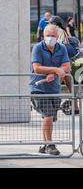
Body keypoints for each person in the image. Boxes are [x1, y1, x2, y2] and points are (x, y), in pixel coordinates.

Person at [30, 24, 71, 155]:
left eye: (53, 36)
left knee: (50, 118)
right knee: (48, 115)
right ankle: (49, 145)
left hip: (54, 89)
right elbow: (37, 67)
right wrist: (55, 69)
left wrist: (57, 73)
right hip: (38, 88)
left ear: (57, 36)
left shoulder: (62, 48)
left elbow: (66, 66)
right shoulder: (37, 48)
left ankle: (43, 145)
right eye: (48, 35)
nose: (50, 38)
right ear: (43, 35)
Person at [49, 15, 80, 113]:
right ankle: (75, 107)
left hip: (61, 62)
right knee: (69, 84)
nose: (49, 25)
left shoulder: (57, 31)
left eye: (50, 23)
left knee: (56, 85)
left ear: (54, 24)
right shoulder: (62, 31)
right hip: (67, 61)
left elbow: (58, 46)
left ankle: (52, 108)